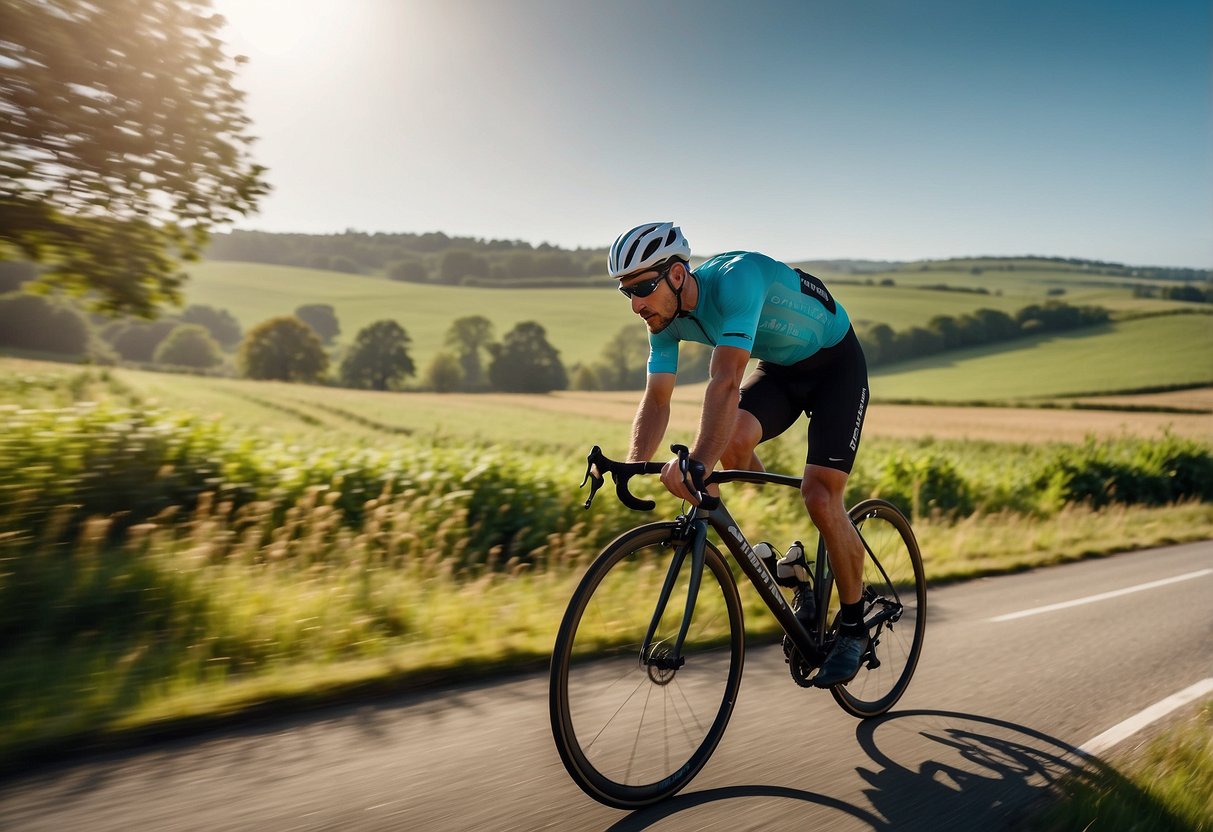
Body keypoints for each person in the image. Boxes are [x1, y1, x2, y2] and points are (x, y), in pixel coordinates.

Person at [609, 221, 871, 688]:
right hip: (782, 371)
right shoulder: (664, 321)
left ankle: (853, 626)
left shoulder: (737, 279)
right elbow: (657, 400)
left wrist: (699, 462)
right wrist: (632, 462)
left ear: (676, 274)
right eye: (626, 292)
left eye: (643, 288)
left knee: (819, 496)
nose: (636, 304)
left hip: (835, 363)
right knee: (732, 441)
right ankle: (788, 563)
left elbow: (726, 380)